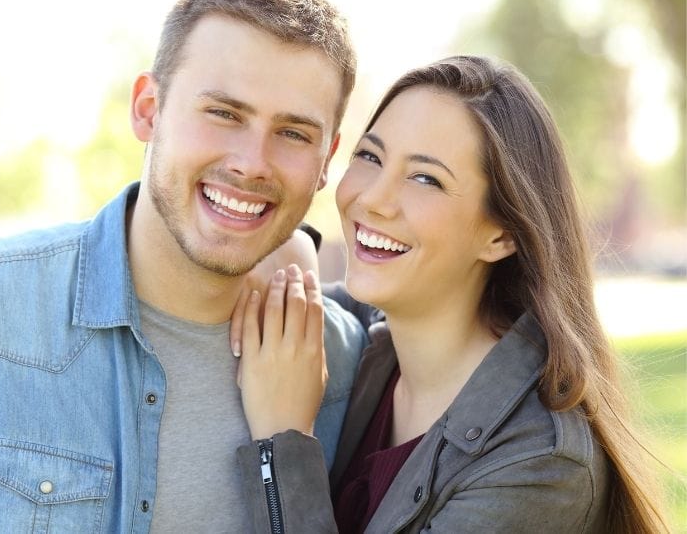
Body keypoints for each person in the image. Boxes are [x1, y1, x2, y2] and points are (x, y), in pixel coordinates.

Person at [0, 0, 367, 532]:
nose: (252, 162)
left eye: (293, 134)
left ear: (326, 159)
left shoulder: (345, 363)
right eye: (223, 113)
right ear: (148, 109)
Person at [234, 55, 669, 532]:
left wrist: (283, 441)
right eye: (371, 156)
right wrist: (291, 249)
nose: (373, 198)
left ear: (502, 234)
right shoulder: (367, 344)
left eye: (426, 178)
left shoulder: (538, 465)